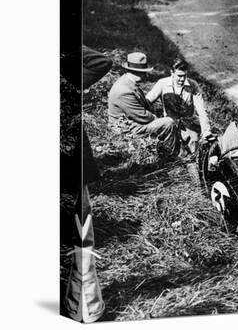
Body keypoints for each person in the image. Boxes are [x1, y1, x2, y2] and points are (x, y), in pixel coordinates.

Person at [61, 46, 112, 323]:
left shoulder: (65, 74)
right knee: (80, 238)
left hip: (70, 165)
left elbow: (101, 62)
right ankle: (83, 307)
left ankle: (82, 307)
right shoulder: (65, 75)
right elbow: (100, 61)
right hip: (66, 164)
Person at [108, 52, 180, 156]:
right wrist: (158, 119)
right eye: (144, 72)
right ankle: (171, 157)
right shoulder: (124, 90)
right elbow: (143, 117)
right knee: (168, 123)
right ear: (137, 72)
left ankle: (164, 150)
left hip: (131, 122)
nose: (146, 74)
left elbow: (142, 104)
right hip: (125, 129)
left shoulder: (128, 82)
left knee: (164, 121)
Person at [146, 58, 210, 156]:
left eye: (184, 76)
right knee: (172, 155)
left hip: (190, 125)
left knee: (195, 153)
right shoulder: (162, 84)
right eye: (179, 76)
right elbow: (148, 101)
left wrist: (206, 131)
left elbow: (201, 111)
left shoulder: (193, 85)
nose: (182, 79)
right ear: (172, 73)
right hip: (171, 126)